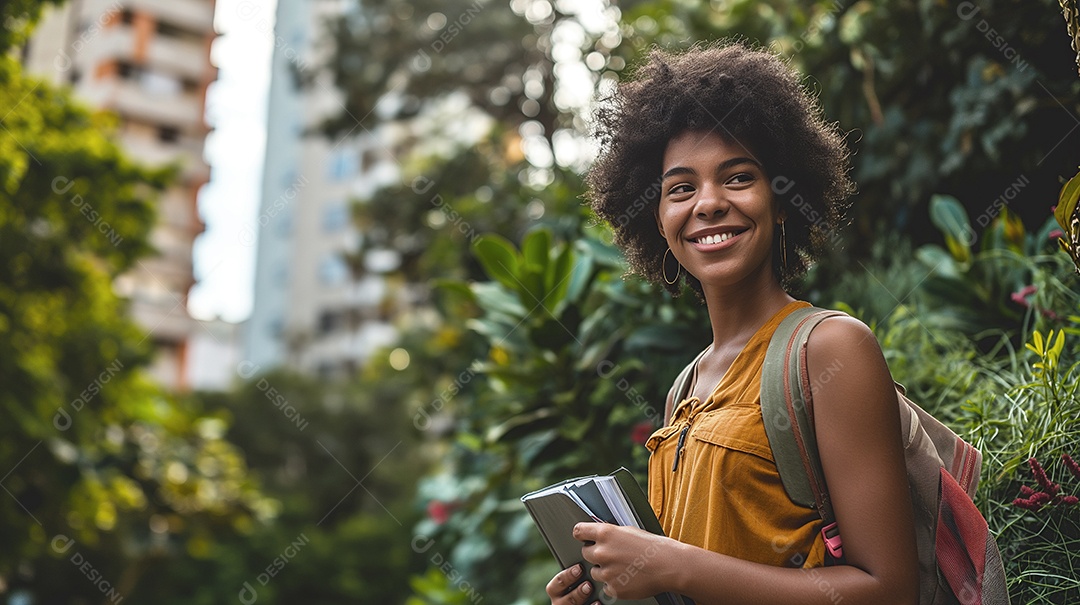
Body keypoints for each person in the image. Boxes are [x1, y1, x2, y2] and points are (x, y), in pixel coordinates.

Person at [545, 42, 919, 605]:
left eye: (738, 177)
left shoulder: (831, 348)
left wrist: (678, 567)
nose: (709, 203)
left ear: (784, 198)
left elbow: (888, 592)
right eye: (680, 188)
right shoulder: (685, 391)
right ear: (658, 219)